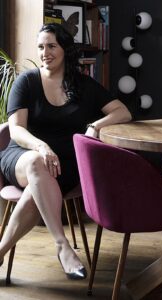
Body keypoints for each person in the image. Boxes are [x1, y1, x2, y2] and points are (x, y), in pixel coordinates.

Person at [0, 23, 132, 279]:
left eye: (51, 46)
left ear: (64, 49)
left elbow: (123, 112)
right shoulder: (26, 81)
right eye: (40, 47)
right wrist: (41, 145)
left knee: (37, 188)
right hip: (22, 155)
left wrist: (95, 125)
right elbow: (16, 130)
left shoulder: (83, 85)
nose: (44, 52)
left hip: (65, 165)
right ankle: (62, 246)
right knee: (38, 164)